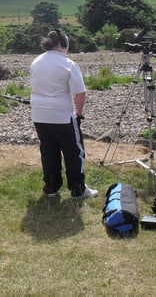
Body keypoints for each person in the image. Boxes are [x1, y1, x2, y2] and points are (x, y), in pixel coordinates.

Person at [30, 29, 98, 199]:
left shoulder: (36, 61)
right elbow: (80, 93)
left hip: (39, 115)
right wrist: (79, 114)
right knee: (73, 152)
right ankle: (78, 189)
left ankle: (51, 187)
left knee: (48, 151)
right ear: (64, 44)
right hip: (62, 115)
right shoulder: (68, 64)